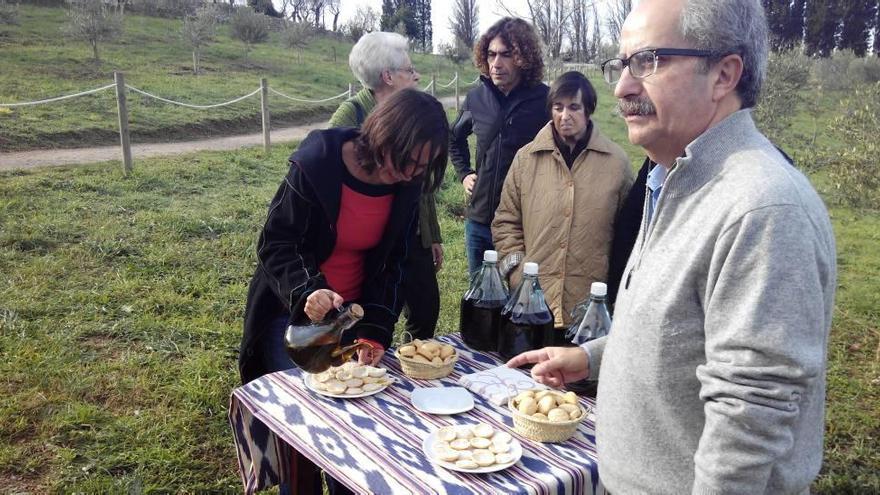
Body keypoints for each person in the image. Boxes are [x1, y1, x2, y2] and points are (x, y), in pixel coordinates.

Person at [508, 1, 837, 493]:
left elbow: (749, 422)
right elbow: (682, 330)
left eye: (650, 61)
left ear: (724, 74)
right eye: (622, 65)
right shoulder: (673, 178)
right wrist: (595, 357)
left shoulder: (762, 208)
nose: (622, 88)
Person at [239, 89, 448, 495]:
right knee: (301, 425)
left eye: (421, 168)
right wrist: (308, 291)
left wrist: (374, 329)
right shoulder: (319, 162)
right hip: (293, 314)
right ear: (385, 135)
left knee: (356, 429)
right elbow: (276, 242)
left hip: (351, 315)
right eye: (406, 161)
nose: (409, 174)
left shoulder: (407, 185)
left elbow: (394, 264)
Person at [491, 71, 632, 346]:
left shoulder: (617, 163)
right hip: (532, 306)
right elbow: (506, 221)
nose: (565, 115)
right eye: (558, 107)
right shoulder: (526, 158)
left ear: (589, 110)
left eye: (574, 107)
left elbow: (628, 233)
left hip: (587, 310)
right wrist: (517, 272)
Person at [328, 31, 442, 342]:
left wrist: (431, 235)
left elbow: (421, 186)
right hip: (370, 239)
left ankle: (413, 368)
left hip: (411, 235)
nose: (416, 76)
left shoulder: (413, 116)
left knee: (425, 308)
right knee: (373, 313)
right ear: (388, 76)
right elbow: (328, 185)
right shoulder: (349, 116)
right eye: (409, 69)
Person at [449, 17, 550, 275]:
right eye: (491, 54)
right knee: (480, 299)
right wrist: (464, 174)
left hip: (522, 224)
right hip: (479, 218)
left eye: (506, 55)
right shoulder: (476, 98)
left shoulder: (545, 101)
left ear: (524, 58)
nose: (496, 64)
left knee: (520, 302)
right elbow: (454, 138)